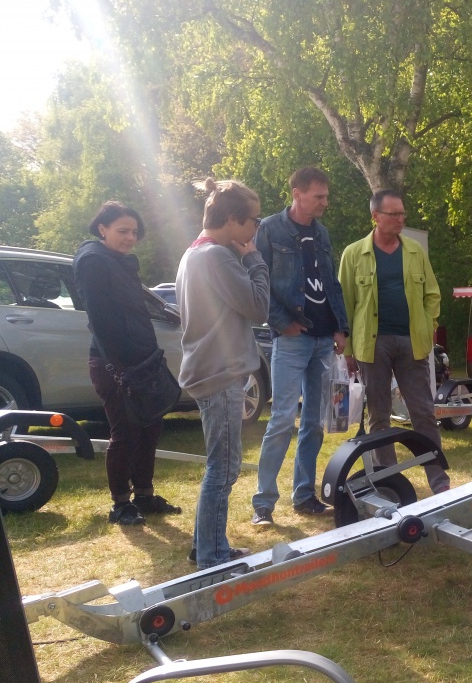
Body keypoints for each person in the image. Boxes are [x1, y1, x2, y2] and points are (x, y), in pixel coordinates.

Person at [176, 179, 269, 568]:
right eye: (254, 221)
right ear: (232, 219)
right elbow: (259, 307)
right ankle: (213, 557)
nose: (255, 230)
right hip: (221, 374)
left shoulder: (194, 253)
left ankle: (208, 546)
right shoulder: (218, 256)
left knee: (220, 465)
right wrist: (255, 260)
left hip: (209, 370)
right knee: (224, 469)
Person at [73, 202, 183, 527]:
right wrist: (119, 367)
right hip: (114, 364)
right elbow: (102, 322)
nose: (130, 237)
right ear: (102, 229)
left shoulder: (119, 262)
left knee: (151, 426)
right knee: (125, 432)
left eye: (134, 232)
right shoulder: (93, 262)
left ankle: (144, 496)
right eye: (123, 231)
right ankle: (120, 504)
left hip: (142, 361)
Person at [251, 167, 349, 524]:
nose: (325, 202)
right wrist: (281, 323)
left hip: (324, 340)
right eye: (318, 196)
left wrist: (341, 328)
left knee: (315, 423)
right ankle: (263, 504)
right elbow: (257, 281)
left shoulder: (321, 232)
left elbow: (331, 283)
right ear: (297, 193)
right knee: (281, 420)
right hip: (292, 339)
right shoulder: (270, 230)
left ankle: (304, 496)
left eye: (325, 195)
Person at [339, 189, 450, 494]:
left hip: (412, 343)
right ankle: (388, 482)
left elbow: (432, 295)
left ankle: (439, 482)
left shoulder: (415, 251)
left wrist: (428, 328)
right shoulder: (353, 254)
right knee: (379, 415)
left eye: (403, 214)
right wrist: (348, 350)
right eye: (394, 214)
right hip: (371, 345)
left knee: (423, 412)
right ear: (376, 217)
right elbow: (345, 304)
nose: (401, 219)